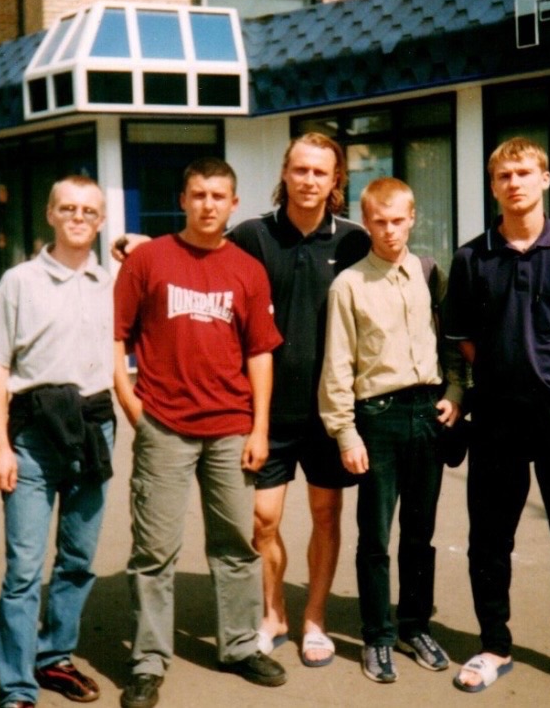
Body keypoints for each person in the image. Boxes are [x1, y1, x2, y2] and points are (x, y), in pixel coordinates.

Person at [113, 133, 370, 668]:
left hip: (329, 409)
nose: (309, 180)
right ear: (285, 173)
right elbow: (199, 248)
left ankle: (314, 619)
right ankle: (272, 614)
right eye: (300, 169)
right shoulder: (253, 235)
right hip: (261, 411)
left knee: (326, 514)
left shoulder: (354, 242)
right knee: (260, 522)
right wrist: (142, 244)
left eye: (320, 172)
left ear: (335, 180)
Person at [444, 137, 550, 707]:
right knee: (489, 539)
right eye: (504, 175)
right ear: (493, 186)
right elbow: (465, 341)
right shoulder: (472, 258)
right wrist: (508, 372)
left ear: (545, 178)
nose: (514, 183)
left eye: (523, 172)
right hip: (496, 413)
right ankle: (494, 646)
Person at [112, 157, 287, 708]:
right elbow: (115, 336)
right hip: (163, 425)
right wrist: (131, 403)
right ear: (183, 200)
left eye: (218, 196)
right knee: (154, 551)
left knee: (235, 545)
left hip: (231, 427)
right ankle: (148, 661)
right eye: (198, 194)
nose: (208, 205)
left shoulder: (247, 270)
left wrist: (259, 428)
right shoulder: (148, 260)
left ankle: (239, 646)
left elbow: (260, 352)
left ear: (233, 204)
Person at [0, 175, 115, 708]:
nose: (78, 218)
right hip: (32, 435)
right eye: (68, 208)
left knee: (78, 558)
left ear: (101, 221)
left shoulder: (110, 281)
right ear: (51, 214)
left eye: (89, 211)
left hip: (94, 429)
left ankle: (54, 658)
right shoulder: (20, 281)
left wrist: (134, 245)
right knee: (24, 569)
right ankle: (17, 686)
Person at [318, 177, 465, 683]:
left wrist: (455, 393)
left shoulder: (429, 274)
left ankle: (414, 626)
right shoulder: (349, 284)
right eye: (379, 222)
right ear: (366, 223)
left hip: (428, 413)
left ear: (412, 218)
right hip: (377, 418)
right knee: (376, 536)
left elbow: (451, 342)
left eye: (398, 220)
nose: (389, 230)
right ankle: (378, 635)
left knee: (420, 534)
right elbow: (337, 365)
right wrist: (345, 433)